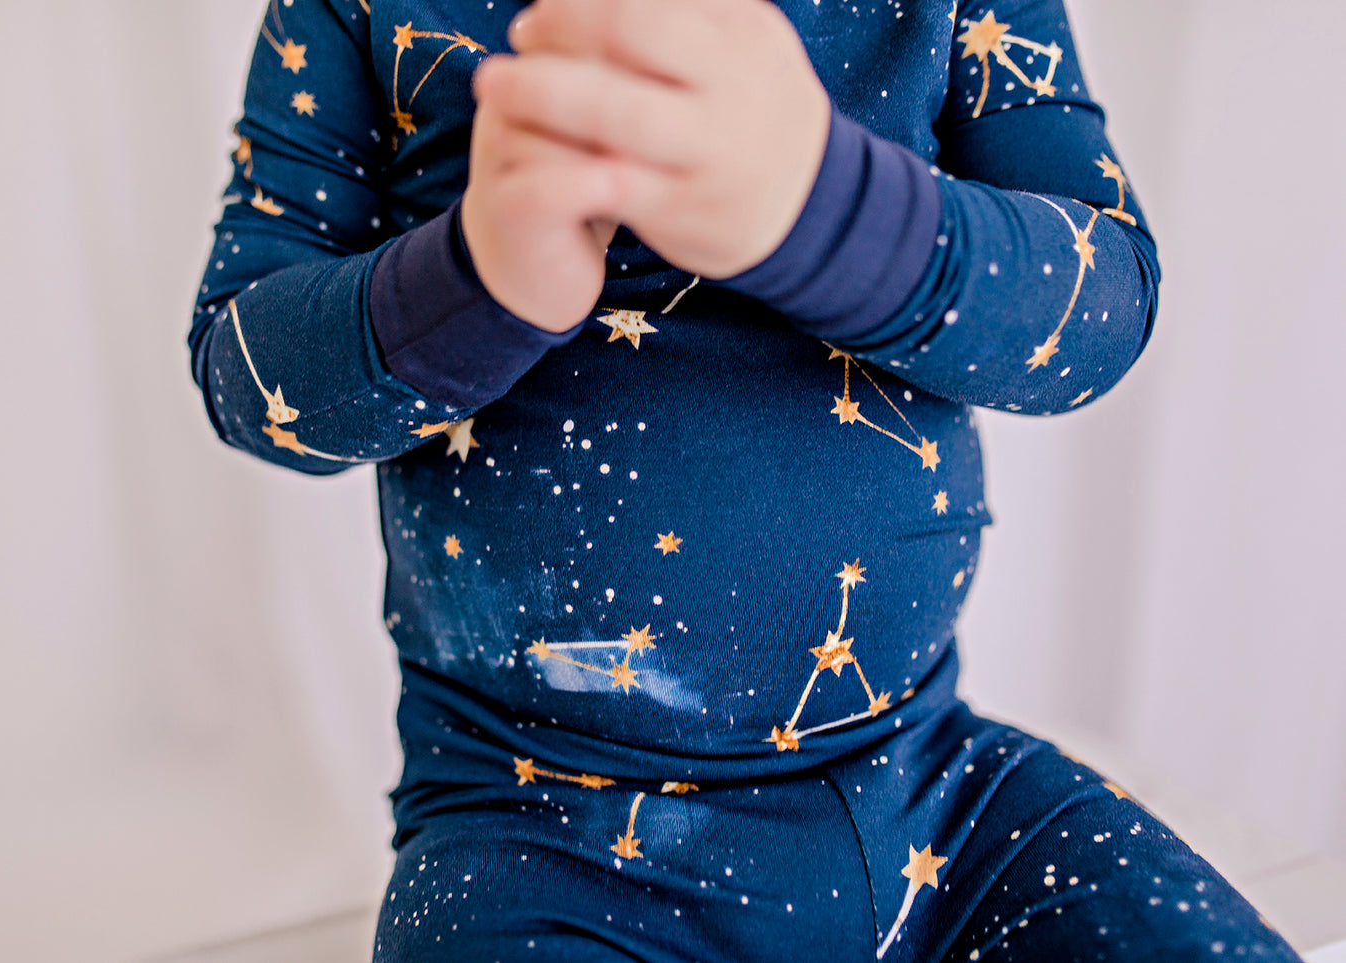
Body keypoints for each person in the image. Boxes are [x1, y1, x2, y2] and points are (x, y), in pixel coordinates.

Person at [188, 0, 1304, 959]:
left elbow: (1103, 296)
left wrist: (828, 210)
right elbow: (242, 370)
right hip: (531, 832)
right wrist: (477, 276)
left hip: (933, 800)